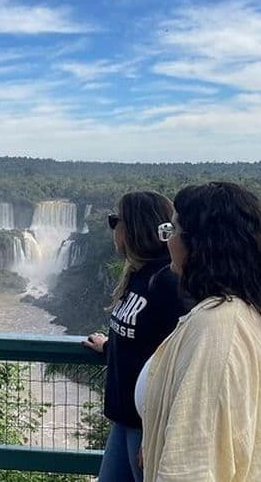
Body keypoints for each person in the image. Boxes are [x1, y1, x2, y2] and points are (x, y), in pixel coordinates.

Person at [140, 181, 261, 481]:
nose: (168, 241)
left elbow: (191, 466)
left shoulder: (218, 329)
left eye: (174, 230)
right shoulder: (258, 311)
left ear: (200, 245)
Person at [82, 191, 187, 482]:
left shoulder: (166, 280)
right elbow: (143, 341)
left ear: (134, 228)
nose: (113, 228)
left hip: (148, 427)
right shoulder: (138, 275)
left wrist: (158, 431)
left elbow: (182, 359)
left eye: (115, 220)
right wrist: (108, 347)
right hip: (124, 420)